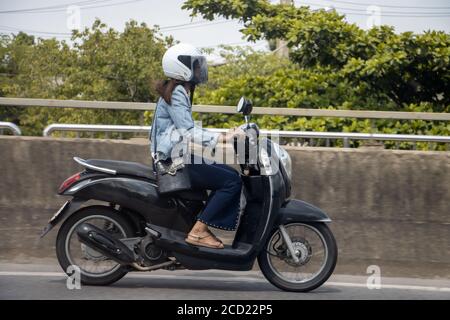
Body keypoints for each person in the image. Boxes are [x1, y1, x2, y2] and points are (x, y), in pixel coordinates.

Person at [150, 43, 245, 249]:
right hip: (171, 163)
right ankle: (199, 231)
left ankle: (201, 225)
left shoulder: (178, 90)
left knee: (229, 172)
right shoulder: (176, 93)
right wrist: (223, 138)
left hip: (176, 157)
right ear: (181, 67)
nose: (199, 70)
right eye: (195, 65)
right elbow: (189, 131)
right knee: (231, 181)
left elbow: (188, 128)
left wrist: (223, 135)